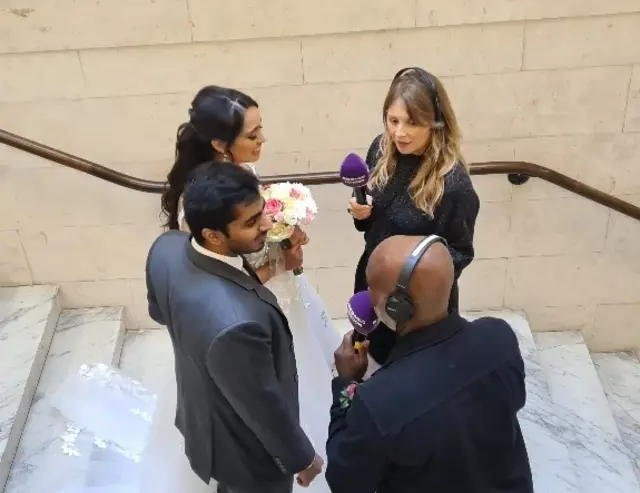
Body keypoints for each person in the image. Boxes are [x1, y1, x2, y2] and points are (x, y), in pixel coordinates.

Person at [153, 86, 340, 492]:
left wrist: (284, 242)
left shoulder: (239, 174)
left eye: (261, 129)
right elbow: (214, 280)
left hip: (275, 296)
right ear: (220, 143)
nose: (262, 140)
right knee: (265, 391)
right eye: (252, 135)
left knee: (301, 374)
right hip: (249, 313)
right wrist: (273, 265)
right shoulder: (198, 206)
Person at [325, 235, 533, 493]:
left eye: (372, 289)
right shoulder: (499, 337)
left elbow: (345, 481)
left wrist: (347, 384)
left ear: (397, 307)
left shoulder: (378, 401)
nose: (368, 297)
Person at [348, 67, 480, 364]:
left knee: (414, 372)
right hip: (373, 278)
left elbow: (460, 252)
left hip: (418, 305)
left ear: (435, 123)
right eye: (393, 120)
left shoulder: (453, 183)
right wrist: (361, 214)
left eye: (412, 123)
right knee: (376, 358)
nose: (399, 133)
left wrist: (414, 286)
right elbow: (369, 227)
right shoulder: (380, 151)